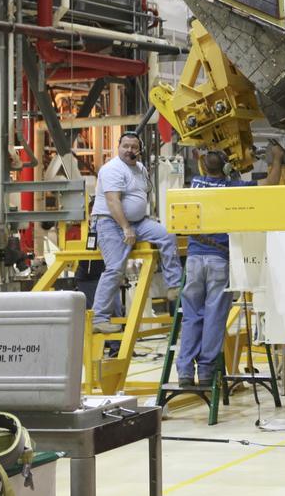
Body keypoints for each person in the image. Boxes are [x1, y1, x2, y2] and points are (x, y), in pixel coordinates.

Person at [90, 131, 184, 334]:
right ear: (118, 147)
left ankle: (174, 285)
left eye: (133, 147)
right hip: (111, 222)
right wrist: (125, 227)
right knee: (115, 268)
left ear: (139, 150)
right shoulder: (112, 169)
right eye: (125, 146)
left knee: (167, 235)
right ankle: (99, 317)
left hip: (139, 222)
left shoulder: (140, 168)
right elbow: (113, 201)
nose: (129, 150)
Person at [177, 150, 250, 388]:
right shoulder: (231, 188)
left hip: (195, 260)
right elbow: (269, 185)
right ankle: (206, 372)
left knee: (191, 317)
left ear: (202, 166)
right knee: (214, 318)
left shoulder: (193, 186)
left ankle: (185, 371)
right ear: (226, 169)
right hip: (219, 259)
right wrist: (278, 160)